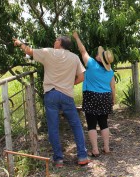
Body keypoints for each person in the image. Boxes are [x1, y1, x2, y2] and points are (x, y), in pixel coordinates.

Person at [13, 36, 90, 167]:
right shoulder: (75, 57)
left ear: (59, 43)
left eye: (56, 40)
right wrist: (69, 84)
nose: (54, 42)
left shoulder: (48, 52)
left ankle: (58, 159)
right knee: (76, 125)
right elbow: (82, 77)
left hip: (51, 94)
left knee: (53, 127)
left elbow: (29, 51)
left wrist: (19, 43)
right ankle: (82, 156)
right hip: (67, 95)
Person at [72, 31, 116, 157]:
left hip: (91, 96)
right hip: (105, 97)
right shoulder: (110, 71)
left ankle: (95, 149)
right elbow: (112, 87)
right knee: (104, 123)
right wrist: (113, 99)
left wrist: (76, 37)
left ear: (99, 57)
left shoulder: (91, 64)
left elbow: (82, 51)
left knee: (91, 124)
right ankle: (106, 148)